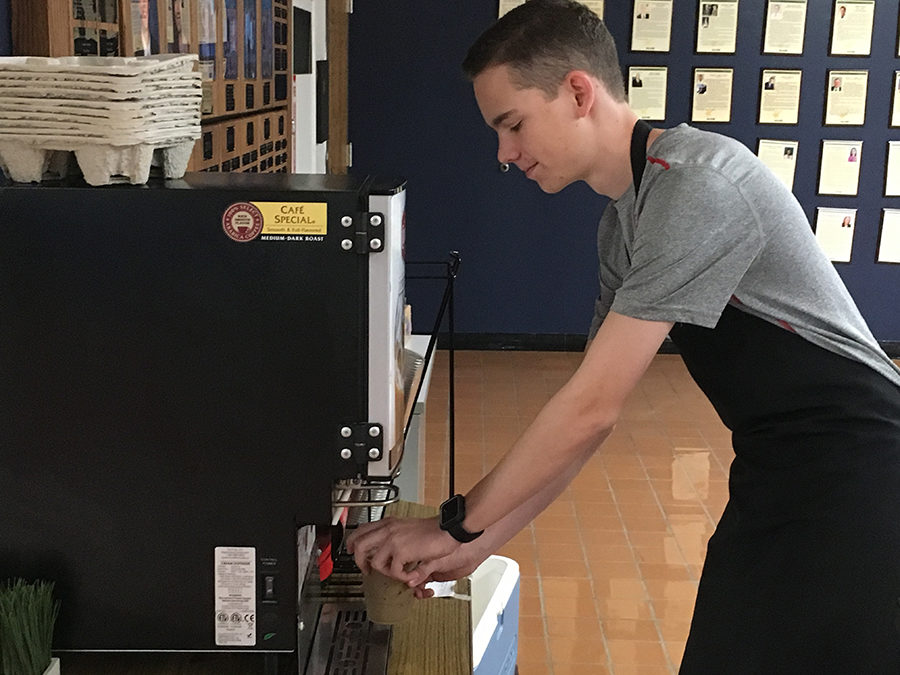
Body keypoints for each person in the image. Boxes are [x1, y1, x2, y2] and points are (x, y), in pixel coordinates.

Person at [346, 1, 900, 672]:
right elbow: (588, 424)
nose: (504, 153)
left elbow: (588, 409)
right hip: (777, 473)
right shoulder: (625, 222)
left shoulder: (698, 185)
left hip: (866, 479)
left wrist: (454, 520)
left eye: (512, 124)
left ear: (579, 91)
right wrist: (476, 544)